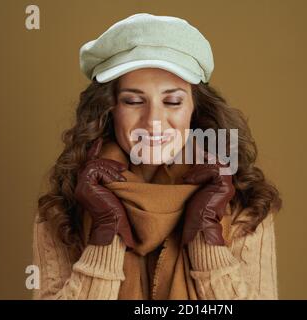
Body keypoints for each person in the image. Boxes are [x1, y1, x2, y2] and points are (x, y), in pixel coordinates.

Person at [32, 13, 282, 300]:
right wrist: (106, 233)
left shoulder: (245, 203)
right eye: (134, 101)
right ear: (108, 109)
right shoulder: (62, 208)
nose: (154, 121)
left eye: (172, 101)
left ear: (195, 109)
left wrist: (206, 236)